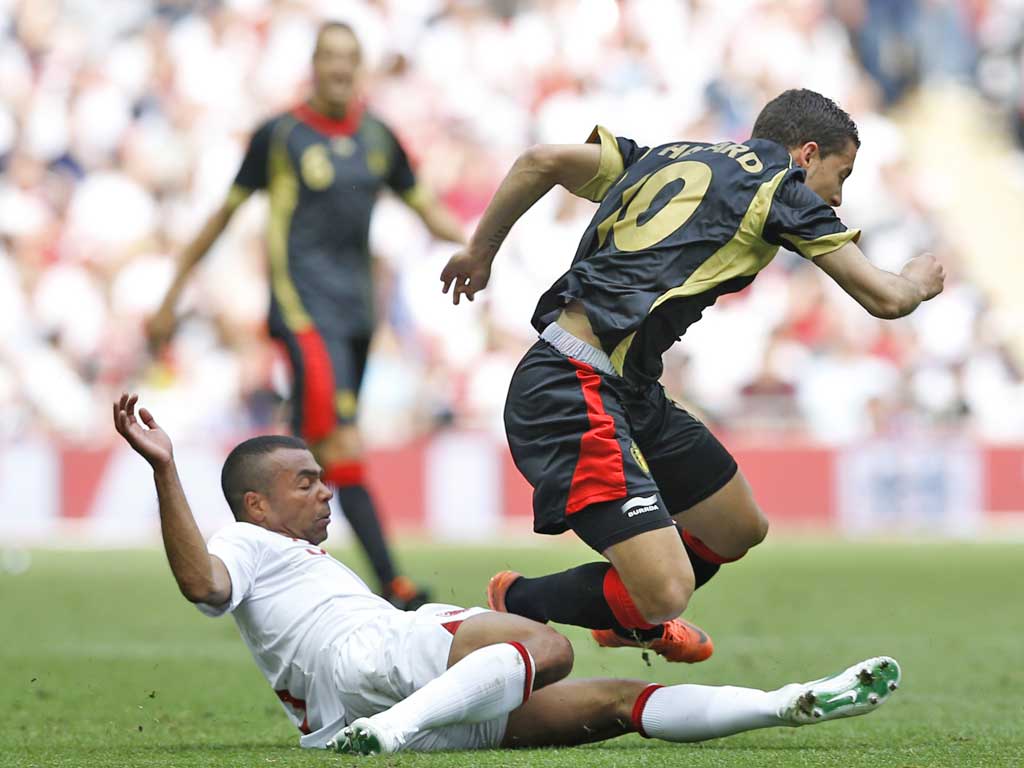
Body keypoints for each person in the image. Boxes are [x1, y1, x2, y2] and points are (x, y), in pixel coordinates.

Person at [439, 89, 946, 662]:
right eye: (841, 173)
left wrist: (480, 252)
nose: (838, 194)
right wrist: (919, 277)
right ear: (807, 154)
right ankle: (517, 602)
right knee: (667, 590)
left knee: (737, 527)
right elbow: (886, 299)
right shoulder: (783, 191)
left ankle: (630, 618)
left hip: (628, 387)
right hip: (571, 386)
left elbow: (541, 161)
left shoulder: (671, 155)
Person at [113, 392, 901, 754]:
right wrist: (165, 471)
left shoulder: (297, 556)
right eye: (306, 481)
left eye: (324, 477)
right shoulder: (250, 543)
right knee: (546, 649)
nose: (325, 490)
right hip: (375, 660)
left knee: (615, 705)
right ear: (256, 501)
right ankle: (393, 728)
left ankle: (787, 704)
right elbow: (202, 585)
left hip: (381, 697)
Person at [147, 21, 466, 609]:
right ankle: (392, 584)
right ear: (314, 66)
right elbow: (222, 216)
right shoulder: (281, 134)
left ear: (361, 68)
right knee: (338, 443)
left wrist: (481, 244)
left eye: (352, 59)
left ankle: (263, 565)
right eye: (330, 58)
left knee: (314, 440)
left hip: (357, 316)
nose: (341, 69)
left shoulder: (378, 137)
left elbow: (426, 209)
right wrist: (172, 294)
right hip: (302, 310)